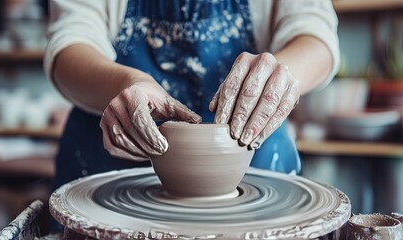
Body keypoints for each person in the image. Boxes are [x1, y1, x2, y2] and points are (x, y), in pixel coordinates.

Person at [45, 0, 339, 188]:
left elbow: (315, 33)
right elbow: (70, 43)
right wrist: (125, 83)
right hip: (113, 160)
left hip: (251, 155)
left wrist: (278, 77)